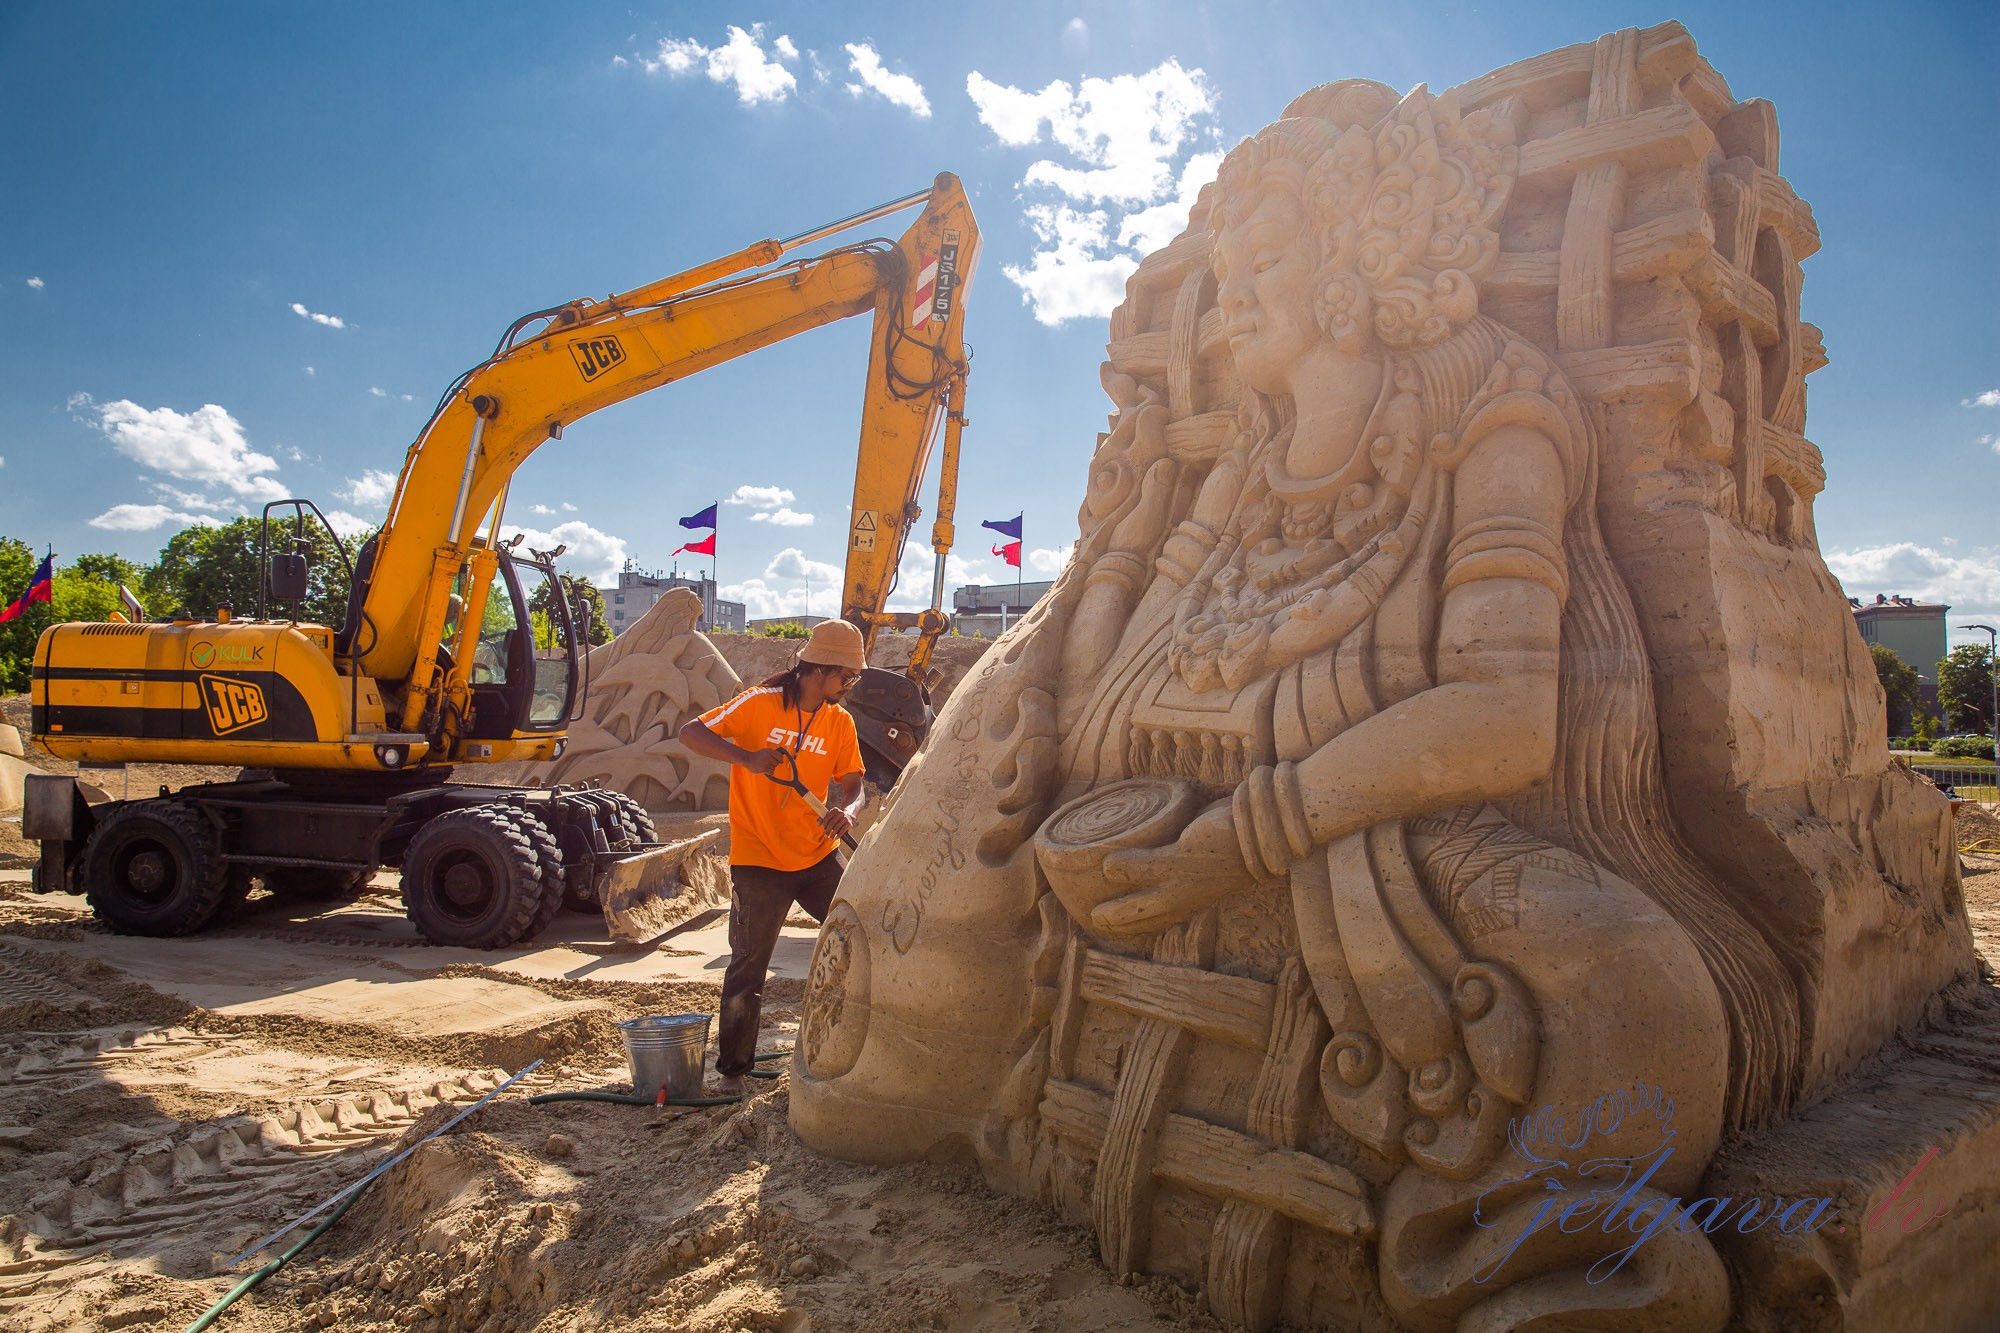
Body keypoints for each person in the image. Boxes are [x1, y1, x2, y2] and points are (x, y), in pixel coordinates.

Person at [678, 619, 867, 1094]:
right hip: (759, 860)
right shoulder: (760, 705)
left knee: (862, 938)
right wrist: (745, 759)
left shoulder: (839, 721)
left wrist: (848, 809)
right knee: (749, 966)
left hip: (817, 858)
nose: (849, 685)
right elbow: (690, 733)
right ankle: (733, 1073)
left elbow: (854, 783)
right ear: (819, 668)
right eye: (846, 676)